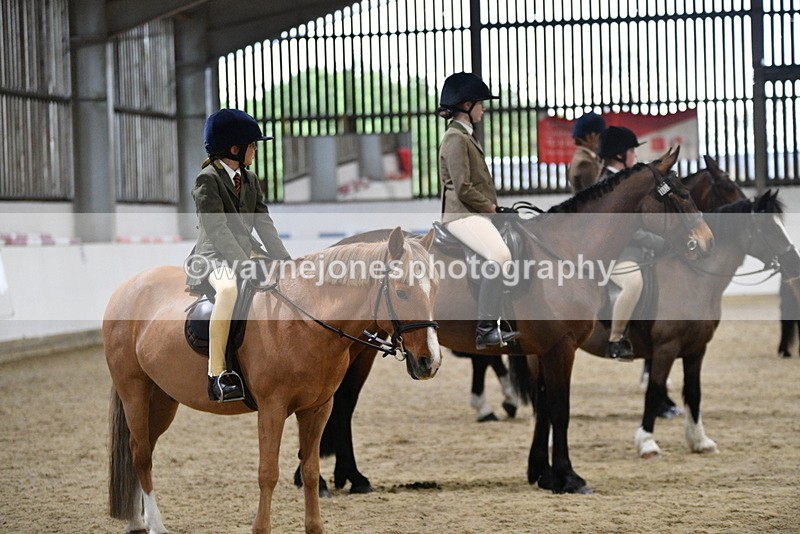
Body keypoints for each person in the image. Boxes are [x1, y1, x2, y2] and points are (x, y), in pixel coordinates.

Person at [187, 108, 291, 402]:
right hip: (213, 257)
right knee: (229, 291)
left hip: (247, 253)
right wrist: (245, 265)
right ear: (235, 149)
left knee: (282, 284)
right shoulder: (207, 180)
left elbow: (264, 223)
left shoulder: (250, 179)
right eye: (253, 145)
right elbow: (217, 229)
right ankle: (217, 374)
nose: (256, 150)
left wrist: (285, 261)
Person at [437, 72, 520, 350]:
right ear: (467, 105)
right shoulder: (456, 138)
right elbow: (463, 188)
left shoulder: (466, 136)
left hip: (474, 213)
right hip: (462, 215)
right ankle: (486, 329)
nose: (484, 108)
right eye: (481, 104)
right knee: (499, 255)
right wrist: (492, 208)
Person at [598, 126, 667, 360]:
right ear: (620, 154)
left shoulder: (626, 181)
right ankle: (616, 339)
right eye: (631, 151)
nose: (635, 156)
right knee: (633, 282)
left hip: (634, 249)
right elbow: (626, 230)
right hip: (615, 252)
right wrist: (658, 243)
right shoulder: (608, 185)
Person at [567, 111, 606, 193]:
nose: (602, 140)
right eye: (601, 135)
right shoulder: (585, 163)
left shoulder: (585, 157)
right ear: (590, 136)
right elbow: (598, 196)